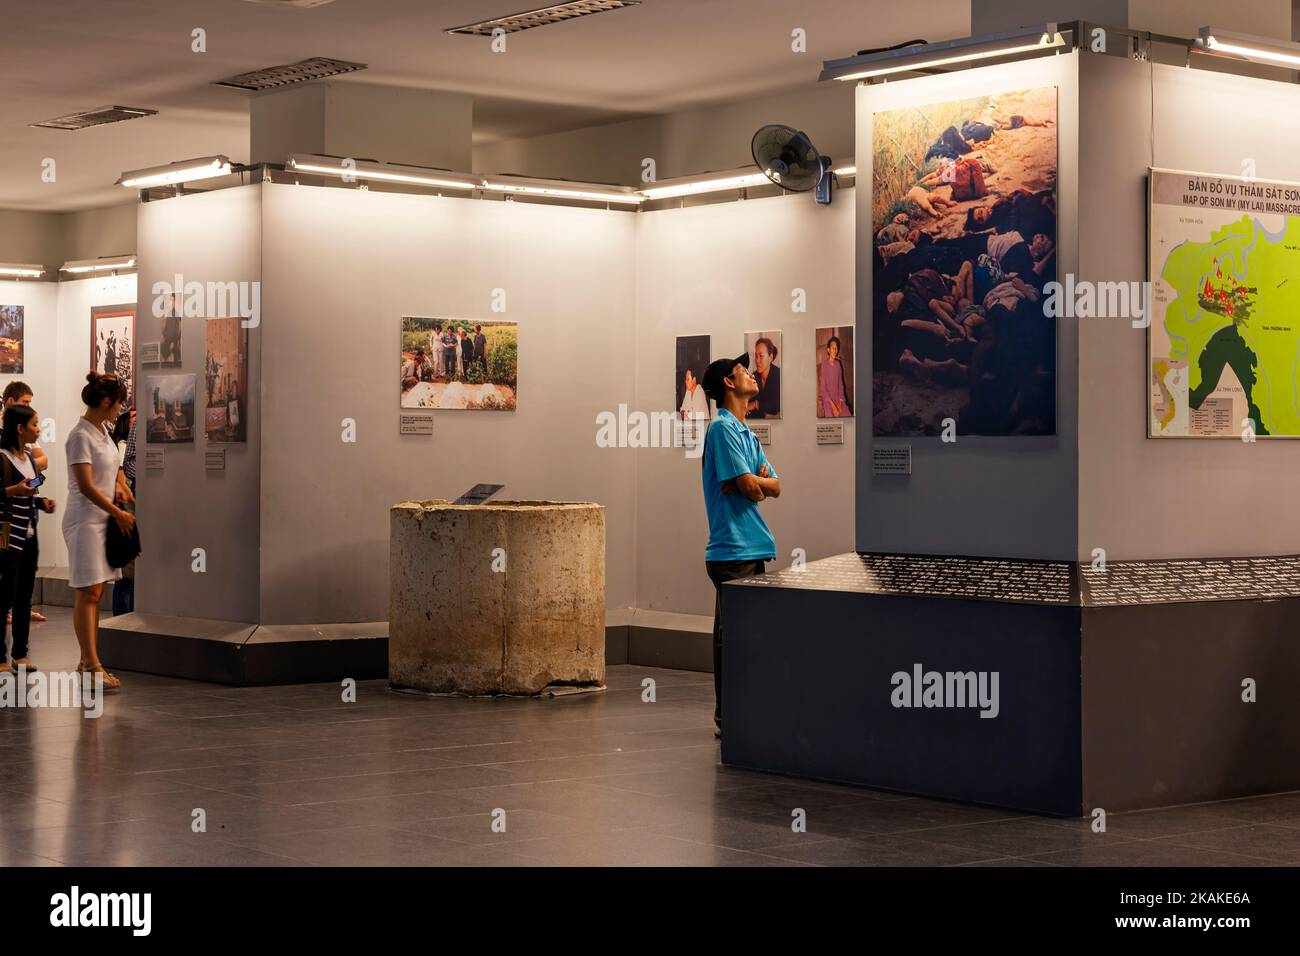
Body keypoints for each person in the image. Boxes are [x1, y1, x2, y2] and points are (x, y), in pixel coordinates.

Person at [699, 353, 781, 740]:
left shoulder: (745, 432)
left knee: (741, 637)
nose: (751, 373)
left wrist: (755, 485)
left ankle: (736, 714)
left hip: (749, 548)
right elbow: (752, 487)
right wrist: (753, 484)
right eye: (743, 370)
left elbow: (774, 487)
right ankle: (729, 717)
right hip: (733, 550)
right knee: (733, 639)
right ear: (729, 384)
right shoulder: (722, 429)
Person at [62, 372, 133, 691]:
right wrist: (117, 511)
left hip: (101, 519)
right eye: (119, 403)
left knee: (95, 591)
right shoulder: (80, 436)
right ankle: (92, 664)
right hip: (85, 520)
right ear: (106, 402)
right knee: (87, 593)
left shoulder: (103, 431)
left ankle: (86, 660)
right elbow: (85, 485)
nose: (120, 409)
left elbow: (114, 466)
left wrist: (120, 485)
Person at [0, 404, 54, 676]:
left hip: (29, 534)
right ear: (20, 428)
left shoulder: (31, 459)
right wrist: (14, 489)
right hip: (8, 538)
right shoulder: (2, 458)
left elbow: (30, 494)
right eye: (34, 424)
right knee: (4, 596)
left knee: (24, 597)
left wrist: (42, 502)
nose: (38, 429)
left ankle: (20, 654)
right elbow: (8, 493)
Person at [3, 381, 49, 624]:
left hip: (28, 510)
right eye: (25, 403)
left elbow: (43, 461)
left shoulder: (26, 448)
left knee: (26, 569)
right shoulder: (6, 446)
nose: (38, 429)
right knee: (8, 568)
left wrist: (26, 466)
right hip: (8, 517)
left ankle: (22, 609)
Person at [111, 408, 137, 617]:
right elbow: (121, 477)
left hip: (128, 510)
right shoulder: (120, 446)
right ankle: (121, 618)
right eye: (134, 418)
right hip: (124, 511)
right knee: (126, 575)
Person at [746, 337, 781, 419]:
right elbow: (746, 404)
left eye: (761, 356)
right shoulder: (753, 377)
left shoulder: (778, 375)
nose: (757, 361)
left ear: (771, 357)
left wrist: (755, 404)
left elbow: (775, 407)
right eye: (756, 356)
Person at [818, 336, 852, 417]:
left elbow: (840, 385)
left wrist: (840, 404)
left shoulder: (838, 364)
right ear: (828, 350)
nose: (835, 351)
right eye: (833, 348)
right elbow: (823, 389)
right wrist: (833, 407)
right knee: (831, 417)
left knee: (847, 415)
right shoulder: (824, 365)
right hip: (828, 400)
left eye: (836, 348)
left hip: (839, 398)